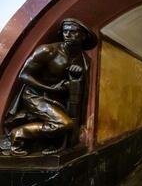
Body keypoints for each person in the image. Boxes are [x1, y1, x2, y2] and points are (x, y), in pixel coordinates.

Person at [1, 18, 97, 156]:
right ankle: (19, 134)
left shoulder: (84, 59)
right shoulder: (48, 50)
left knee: (71, 126)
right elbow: (24, 75)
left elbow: (82, 86)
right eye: (65, 31)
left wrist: (76, 78)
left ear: (83, 36)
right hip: (35, 95)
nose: (68, 35)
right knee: (63, 124)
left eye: (74, 32)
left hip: (58, 99)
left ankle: (53, 142)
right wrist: (50, 89)